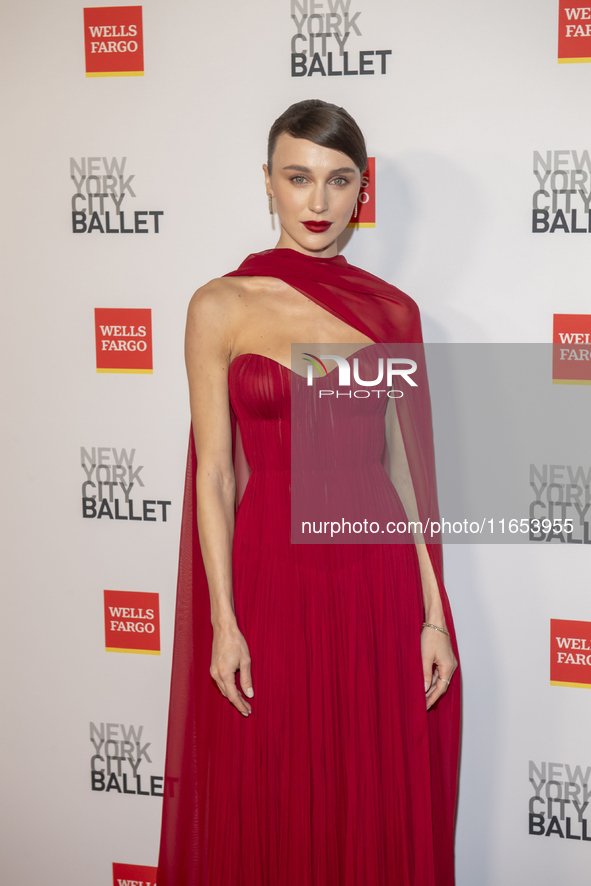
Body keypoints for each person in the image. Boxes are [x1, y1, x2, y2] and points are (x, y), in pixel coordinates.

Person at [157, 99, 460, 886]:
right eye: (298, 178)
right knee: (273, 780)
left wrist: (432, 613)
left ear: (362, 191)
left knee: (367, 783)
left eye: (338, 181)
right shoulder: (219, 305)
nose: (318, 203)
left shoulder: (393, 312)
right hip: (269, 578)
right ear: (267, 184)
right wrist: (223, 622)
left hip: (375, 580)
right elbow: (216, 476)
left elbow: (406, 475)